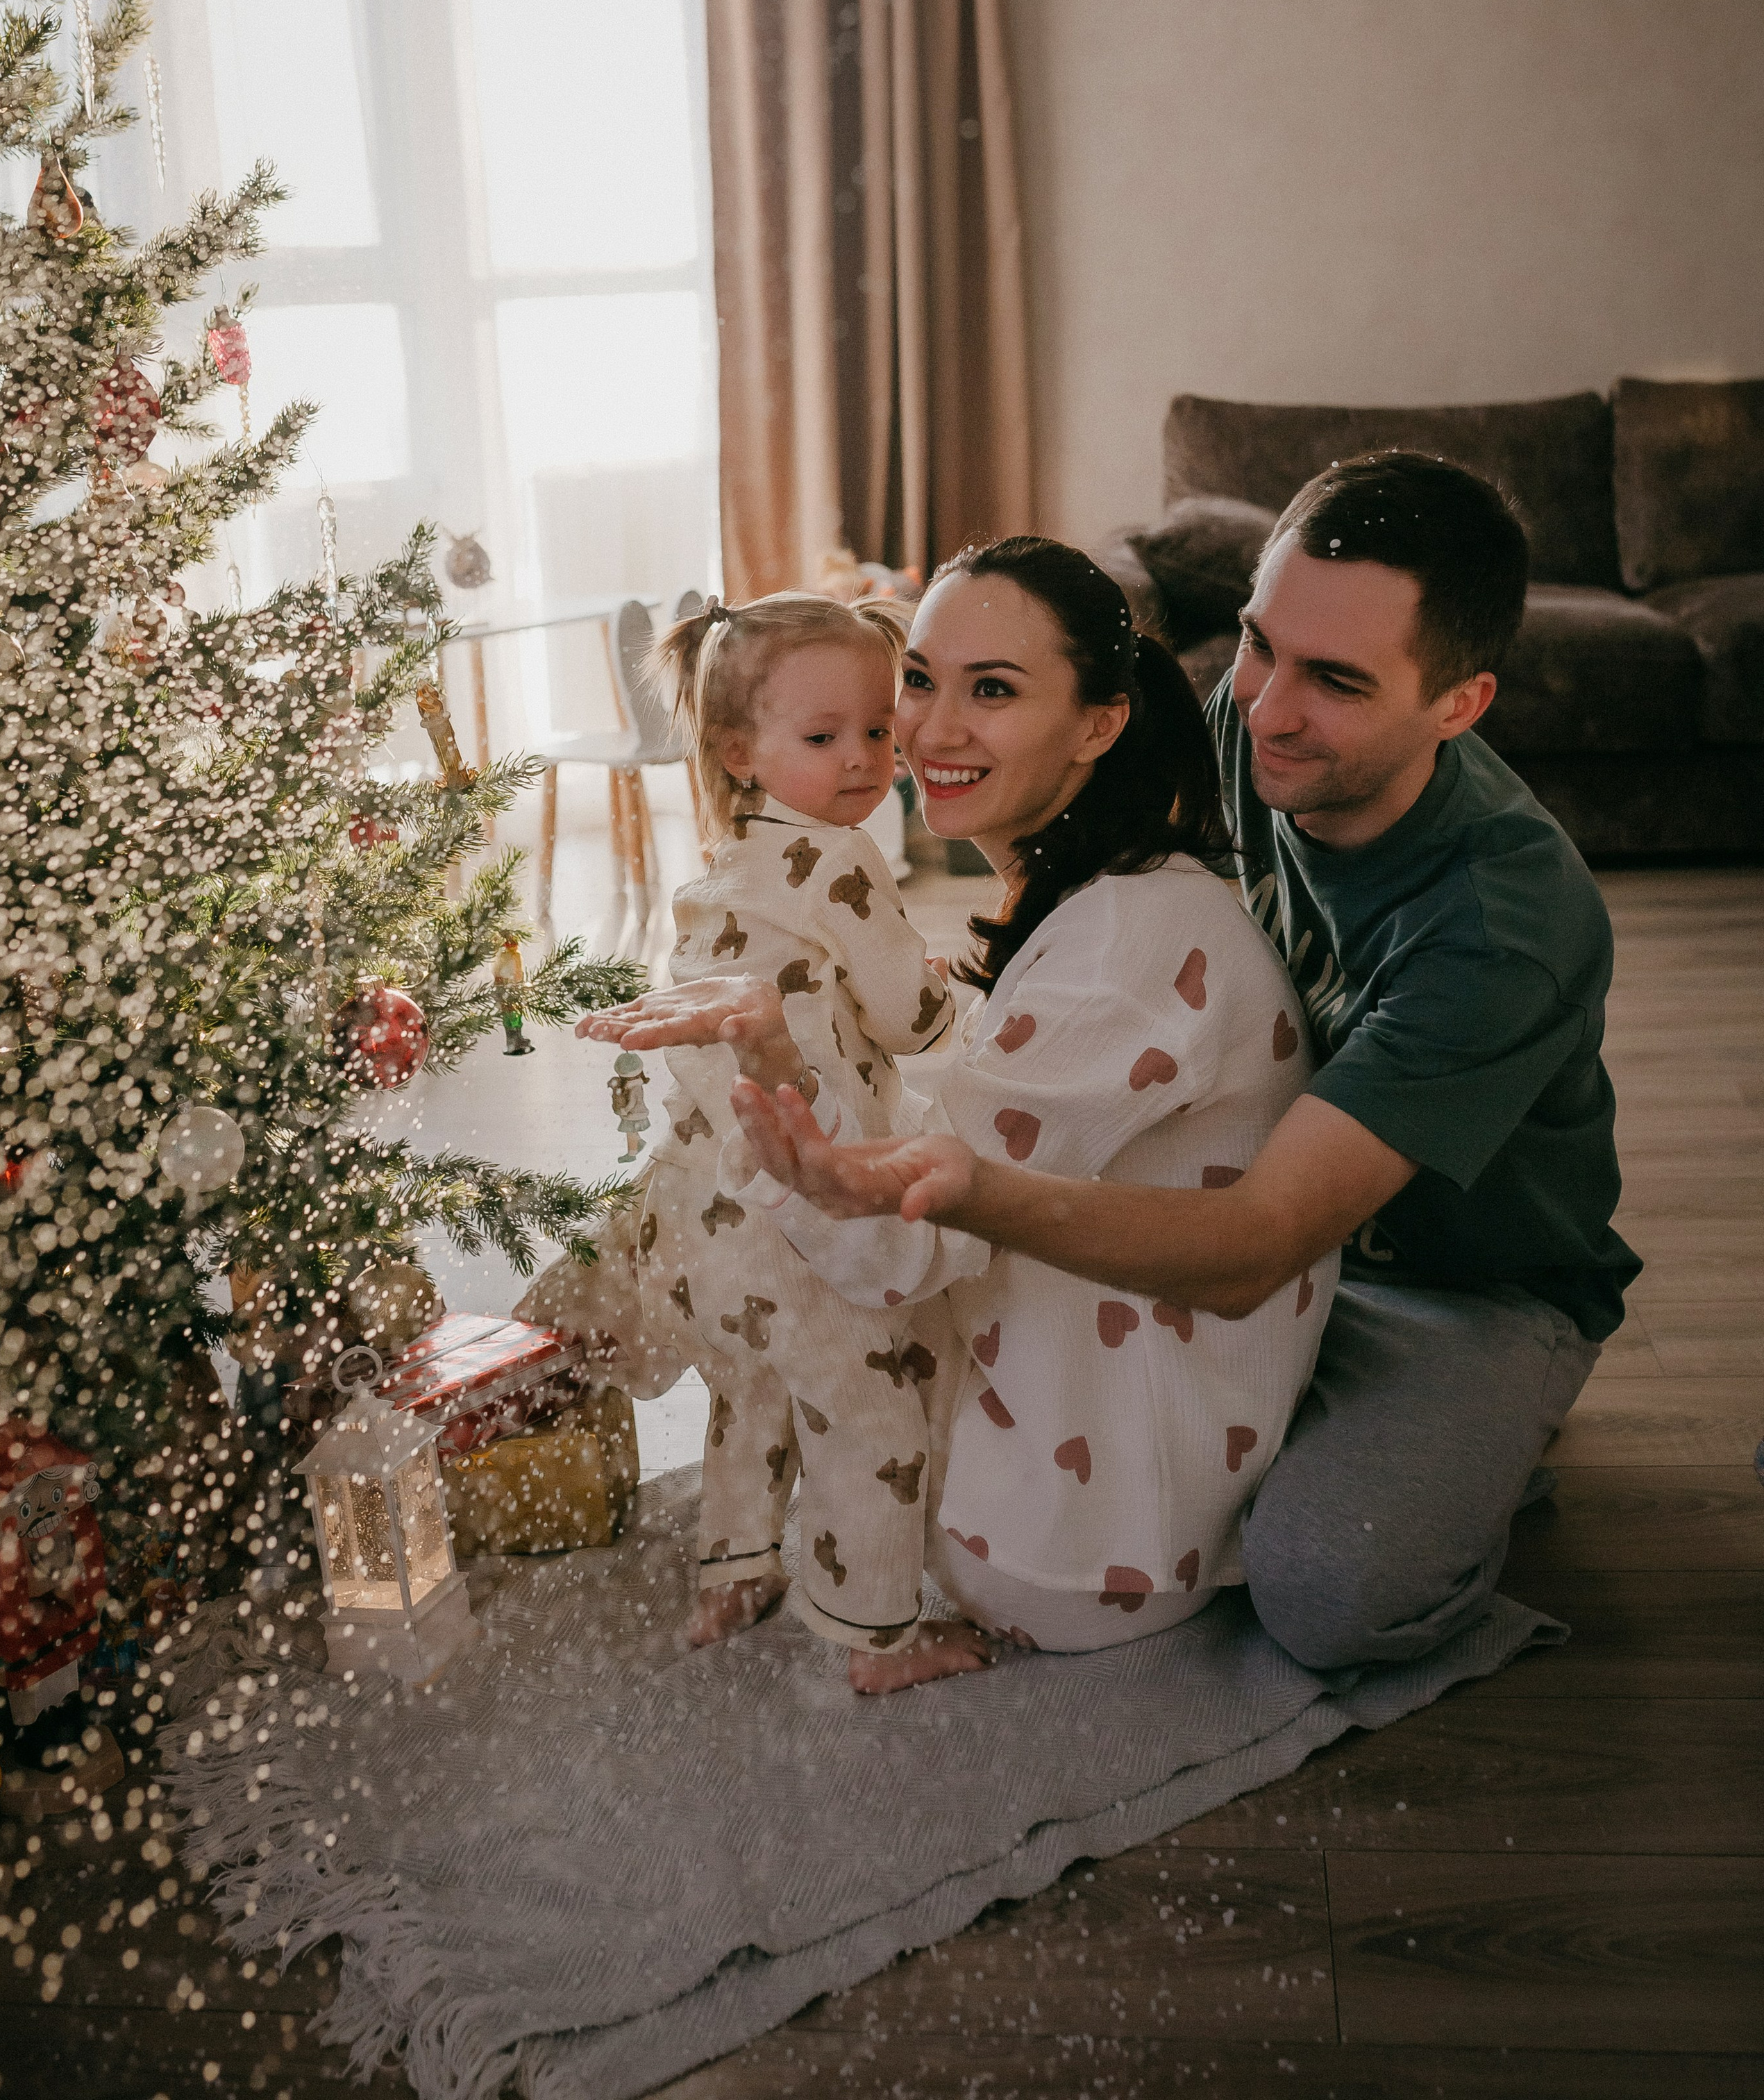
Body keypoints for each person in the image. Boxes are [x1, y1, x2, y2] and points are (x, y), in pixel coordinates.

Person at [730, 457, 1638, 1672]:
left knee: (1328, 1590)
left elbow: (1257, 1244)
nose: (1266, 708)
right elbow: (1102, 894)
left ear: (1459, 704)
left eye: (1337, 681)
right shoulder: (1251, 736)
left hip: (1455, 1288)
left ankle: (1494, 1443)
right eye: (1260, 645)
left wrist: (966, 1187)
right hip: (1266, 1234)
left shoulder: (1503, 928)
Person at [588, 541, 1332, 1670]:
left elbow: (893, 1251)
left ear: (1098, 725)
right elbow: (955, 1089)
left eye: (992, 690)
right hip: (1102, 1456)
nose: (926, 731)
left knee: (817, 1331)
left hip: (1071, 1544)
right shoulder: (1114, 896)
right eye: (921, 680)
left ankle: (856, 1613)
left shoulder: (1121, 948)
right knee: (773, 1288)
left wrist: (774, 1066)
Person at [575, 590, 988, 1694]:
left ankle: (734, 1569)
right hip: (791, 1210)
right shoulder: (839, 861)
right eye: (823, 736)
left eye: (876, 729)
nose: (863, 759)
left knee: (753, 1388)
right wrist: (960, 993)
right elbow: (911, 1019)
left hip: (701, 1210)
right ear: (738, 751)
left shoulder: (727, 863)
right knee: (871, 1406)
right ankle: (876, 1637)